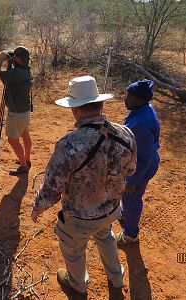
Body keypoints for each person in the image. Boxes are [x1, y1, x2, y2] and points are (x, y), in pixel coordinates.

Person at [31, 76, 137, 294]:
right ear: (100, 104)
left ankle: (78, 285)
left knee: (74, 250)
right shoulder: (126, 134)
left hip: (79, 218)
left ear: (75, 110)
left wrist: (38, 207)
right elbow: (131, 170)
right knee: (105, 235)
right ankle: (116, 278)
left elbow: (52, 188)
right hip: (111, 209)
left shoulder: (69, 145)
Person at [116, 79, 160, 245]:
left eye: (129, 97)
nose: (125, 100)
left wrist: (132, 180)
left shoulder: (141, 123)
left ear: (140, 100)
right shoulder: (143, 109)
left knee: (132, 199)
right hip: (137, 164)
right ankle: (126, 214)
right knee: (127, 197)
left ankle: (130, 234)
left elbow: (144, 158)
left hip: (140, 168)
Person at [0, 46, 32, 176]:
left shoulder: (17, 74)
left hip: (16, 114)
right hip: (25, 112)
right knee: (25, 135)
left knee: (12, 140)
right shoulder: (25, 70)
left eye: (14, 57)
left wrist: (1, 59)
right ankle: (27, 159)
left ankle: (24, 166)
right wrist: (10, 62)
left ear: (18, 59)